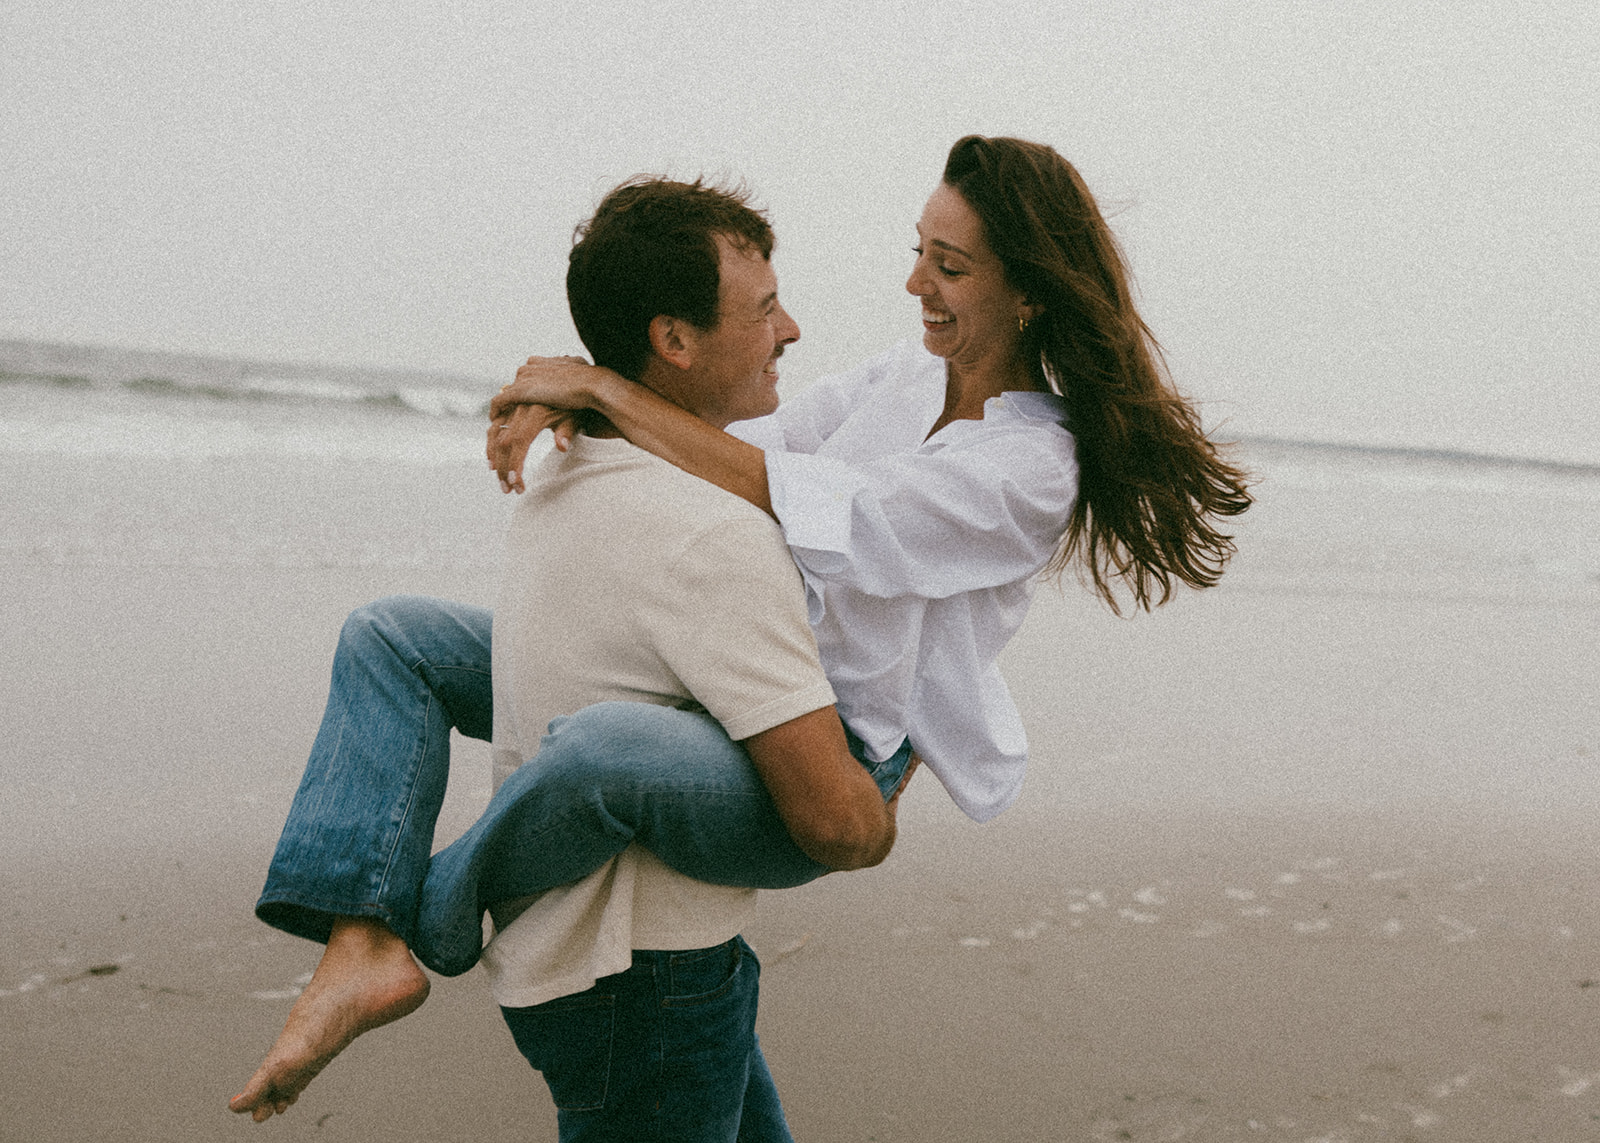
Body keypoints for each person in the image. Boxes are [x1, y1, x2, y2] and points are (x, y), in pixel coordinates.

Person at [232, 134, 1252, 1125]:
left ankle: (433, 917)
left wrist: (593, 386)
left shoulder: (1031, 468)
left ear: (1026, 290)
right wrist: (571, 405)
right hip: (729, 695)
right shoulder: (906, 380)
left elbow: (805, 501)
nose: (914, 285)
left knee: (602, 751)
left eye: (947, 266)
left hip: (835, 748)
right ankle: (356, 928)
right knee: (394, 636)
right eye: (917, 253)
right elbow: (742, 438)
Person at [235, 177, 907, 1138]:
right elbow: (838, 829)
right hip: (648, 978)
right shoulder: (712, 534)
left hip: (579, 968)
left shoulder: (570, 471)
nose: (791, 329)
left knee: (390, 632)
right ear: (674, 340)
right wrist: (893, 767)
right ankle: (414, 914)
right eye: (764, 310)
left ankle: (361, 928)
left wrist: (587, 391)